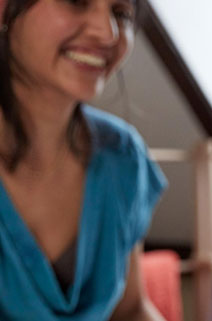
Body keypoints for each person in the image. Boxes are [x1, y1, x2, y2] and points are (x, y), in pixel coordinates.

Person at [0, 0, 166, 320]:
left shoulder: (123, 155)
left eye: (120, 14)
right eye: (76, 1)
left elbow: (130, 309)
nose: (108, 33)